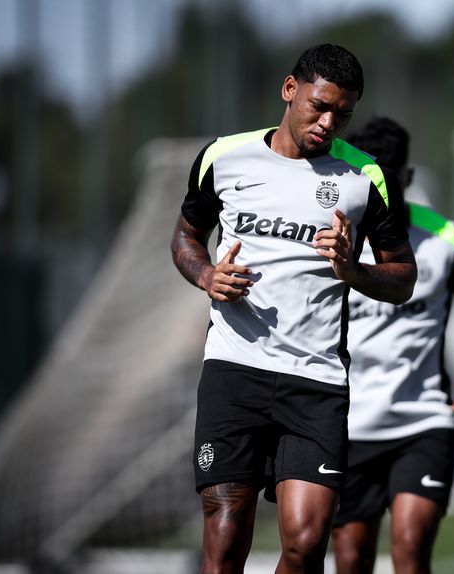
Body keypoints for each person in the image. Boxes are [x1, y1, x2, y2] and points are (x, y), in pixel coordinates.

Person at [170, 44, 417, 574]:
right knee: (226, 535)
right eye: (320, 106)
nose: (328, 123)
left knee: (305, 546)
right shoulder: (223, 157)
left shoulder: (367, 178)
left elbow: (402, 279)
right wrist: (207, 275)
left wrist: (354, 271)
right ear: (290, 90)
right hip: (234, 372)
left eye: (343, 114)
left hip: (316, 380)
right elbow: (187, 236)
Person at [330, 117, 454, 574]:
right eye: (372, 178)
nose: (382, 188)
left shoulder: (446, 239)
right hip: (348, 427)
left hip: (423, 422)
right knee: (350, 559)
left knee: (409, 547)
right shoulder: (335, 241)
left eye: (391, 178)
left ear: (408, 177)